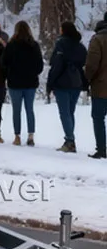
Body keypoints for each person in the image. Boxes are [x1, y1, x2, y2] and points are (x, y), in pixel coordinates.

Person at [1, 21, 43, 146]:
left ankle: (17, 136)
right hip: (30, 83)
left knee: (16, 110)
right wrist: (33, 73)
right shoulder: (34, 45)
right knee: (30, 109)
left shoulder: (11, 45)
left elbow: (4, 62)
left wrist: (9, 74)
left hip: (15, 83)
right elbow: (39, 65)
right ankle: (31, 135)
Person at [47, 21, 87, 153]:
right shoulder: (80, 46)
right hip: (76, 82)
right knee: (70, 112)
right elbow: (84, 62)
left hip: (62, 82)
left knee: (64, 113)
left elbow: (56, 64)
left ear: (63, 30)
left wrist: (51, 82)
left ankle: (70, 140)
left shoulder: (61, 44)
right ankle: (70, 139)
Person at [84, 18, 107, 159]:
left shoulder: (98, 40)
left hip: (101, 85)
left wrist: (86, 79)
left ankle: (102, 149)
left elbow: (92, 64)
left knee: (98, 118)